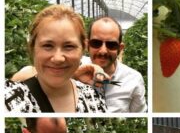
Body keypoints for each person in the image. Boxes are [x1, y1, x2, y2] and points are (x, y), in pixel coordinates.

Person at [11, 16, 147, 113]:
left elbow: (140, 113)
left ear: (120, 48)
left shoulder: (133, 79)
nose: (103, 50)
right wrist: (71, 76)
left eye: (111, 45)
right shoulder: (74, 64)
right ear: (87, 45)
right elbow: (22, 78)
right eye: (96, 43)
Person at [5, 4, 107, 113]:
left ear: (83, 49)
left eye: (69, 46)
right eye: (47, 46)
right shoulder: (10, 99)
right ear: (33, 47)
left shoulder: (94, 98)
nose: (58, 58)